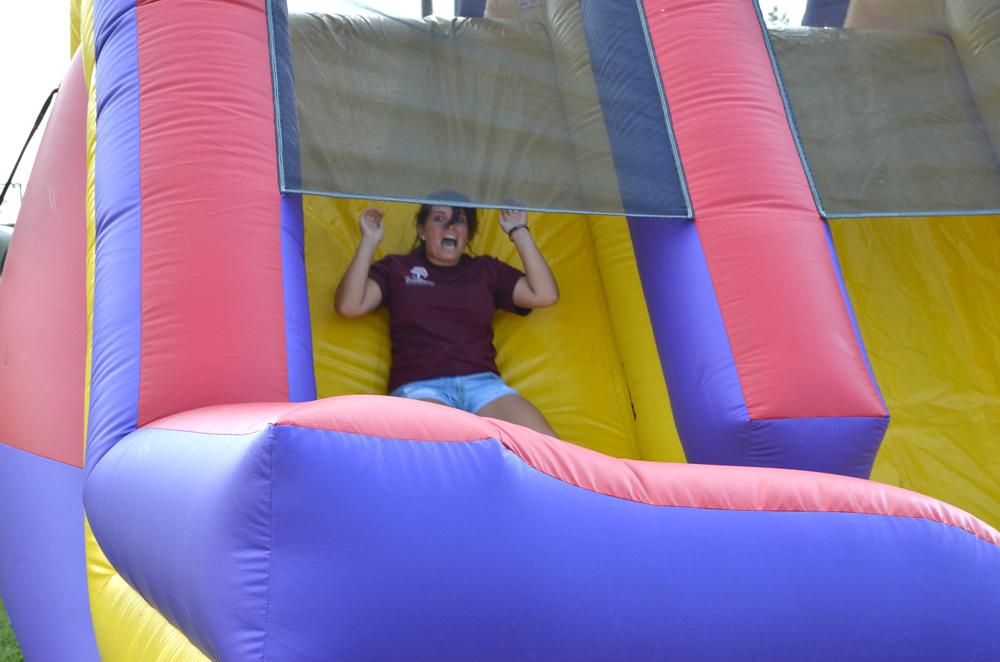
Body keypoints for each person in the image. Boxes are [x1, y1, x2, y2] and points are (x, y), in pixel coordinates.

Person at [335, 200, 559, 437]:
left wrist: (518, 231)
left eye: (459, 221)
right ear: (422, 231)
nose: (450, 228)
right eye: (440, 219)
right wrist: (369, 241)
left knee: (547, 449)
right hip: (421, 388)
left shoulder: (485, 270)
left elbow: (544, 294)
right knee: (448, 452)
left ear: (467, 235)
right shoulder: (397, 268)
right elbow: (349, 305)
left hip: (484, 386)